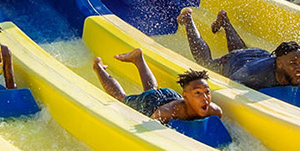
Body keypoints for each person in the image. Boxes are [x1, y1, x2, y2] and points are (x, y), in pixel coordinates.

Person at [177, 8, 300, 90]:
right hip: (235, 63)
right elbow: (232, 84)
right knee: (206, 63)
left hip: (259, 54)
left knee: (242, 50)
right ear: (279, 63)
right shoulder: (254, 74)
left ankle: (225, 22)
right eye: (293, 63)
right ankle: (188, 19)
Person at [92, 48, 221, 124]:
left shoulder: (214, 111)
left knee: (152, 90)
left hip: (170, 96)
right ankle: (97, 66)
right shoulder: (165, 113)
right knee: (122, 98)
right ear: (186, 96)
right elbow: (150, 123)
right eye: (198, 93)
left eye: (207, 92)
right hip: (152, 104)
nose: (205, 98)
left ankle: (138, 59)